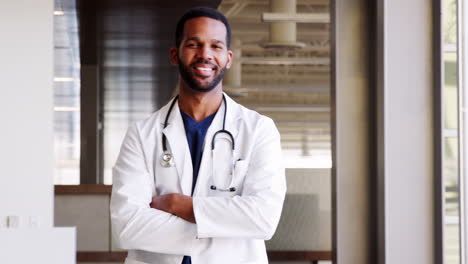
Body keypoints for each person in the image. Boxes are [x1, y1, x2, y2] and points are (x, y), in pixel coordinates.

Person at [110, 7, 286, 264]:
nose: (205, 54)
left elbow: (263, 218)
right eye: (193, 44)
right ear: (175, 54)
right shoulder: (142, 134)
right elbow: (127, 226)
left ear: (228, 58)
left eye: (215, 46)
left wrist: (178, 205)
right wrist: (227, 227)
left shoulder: (259, 129)